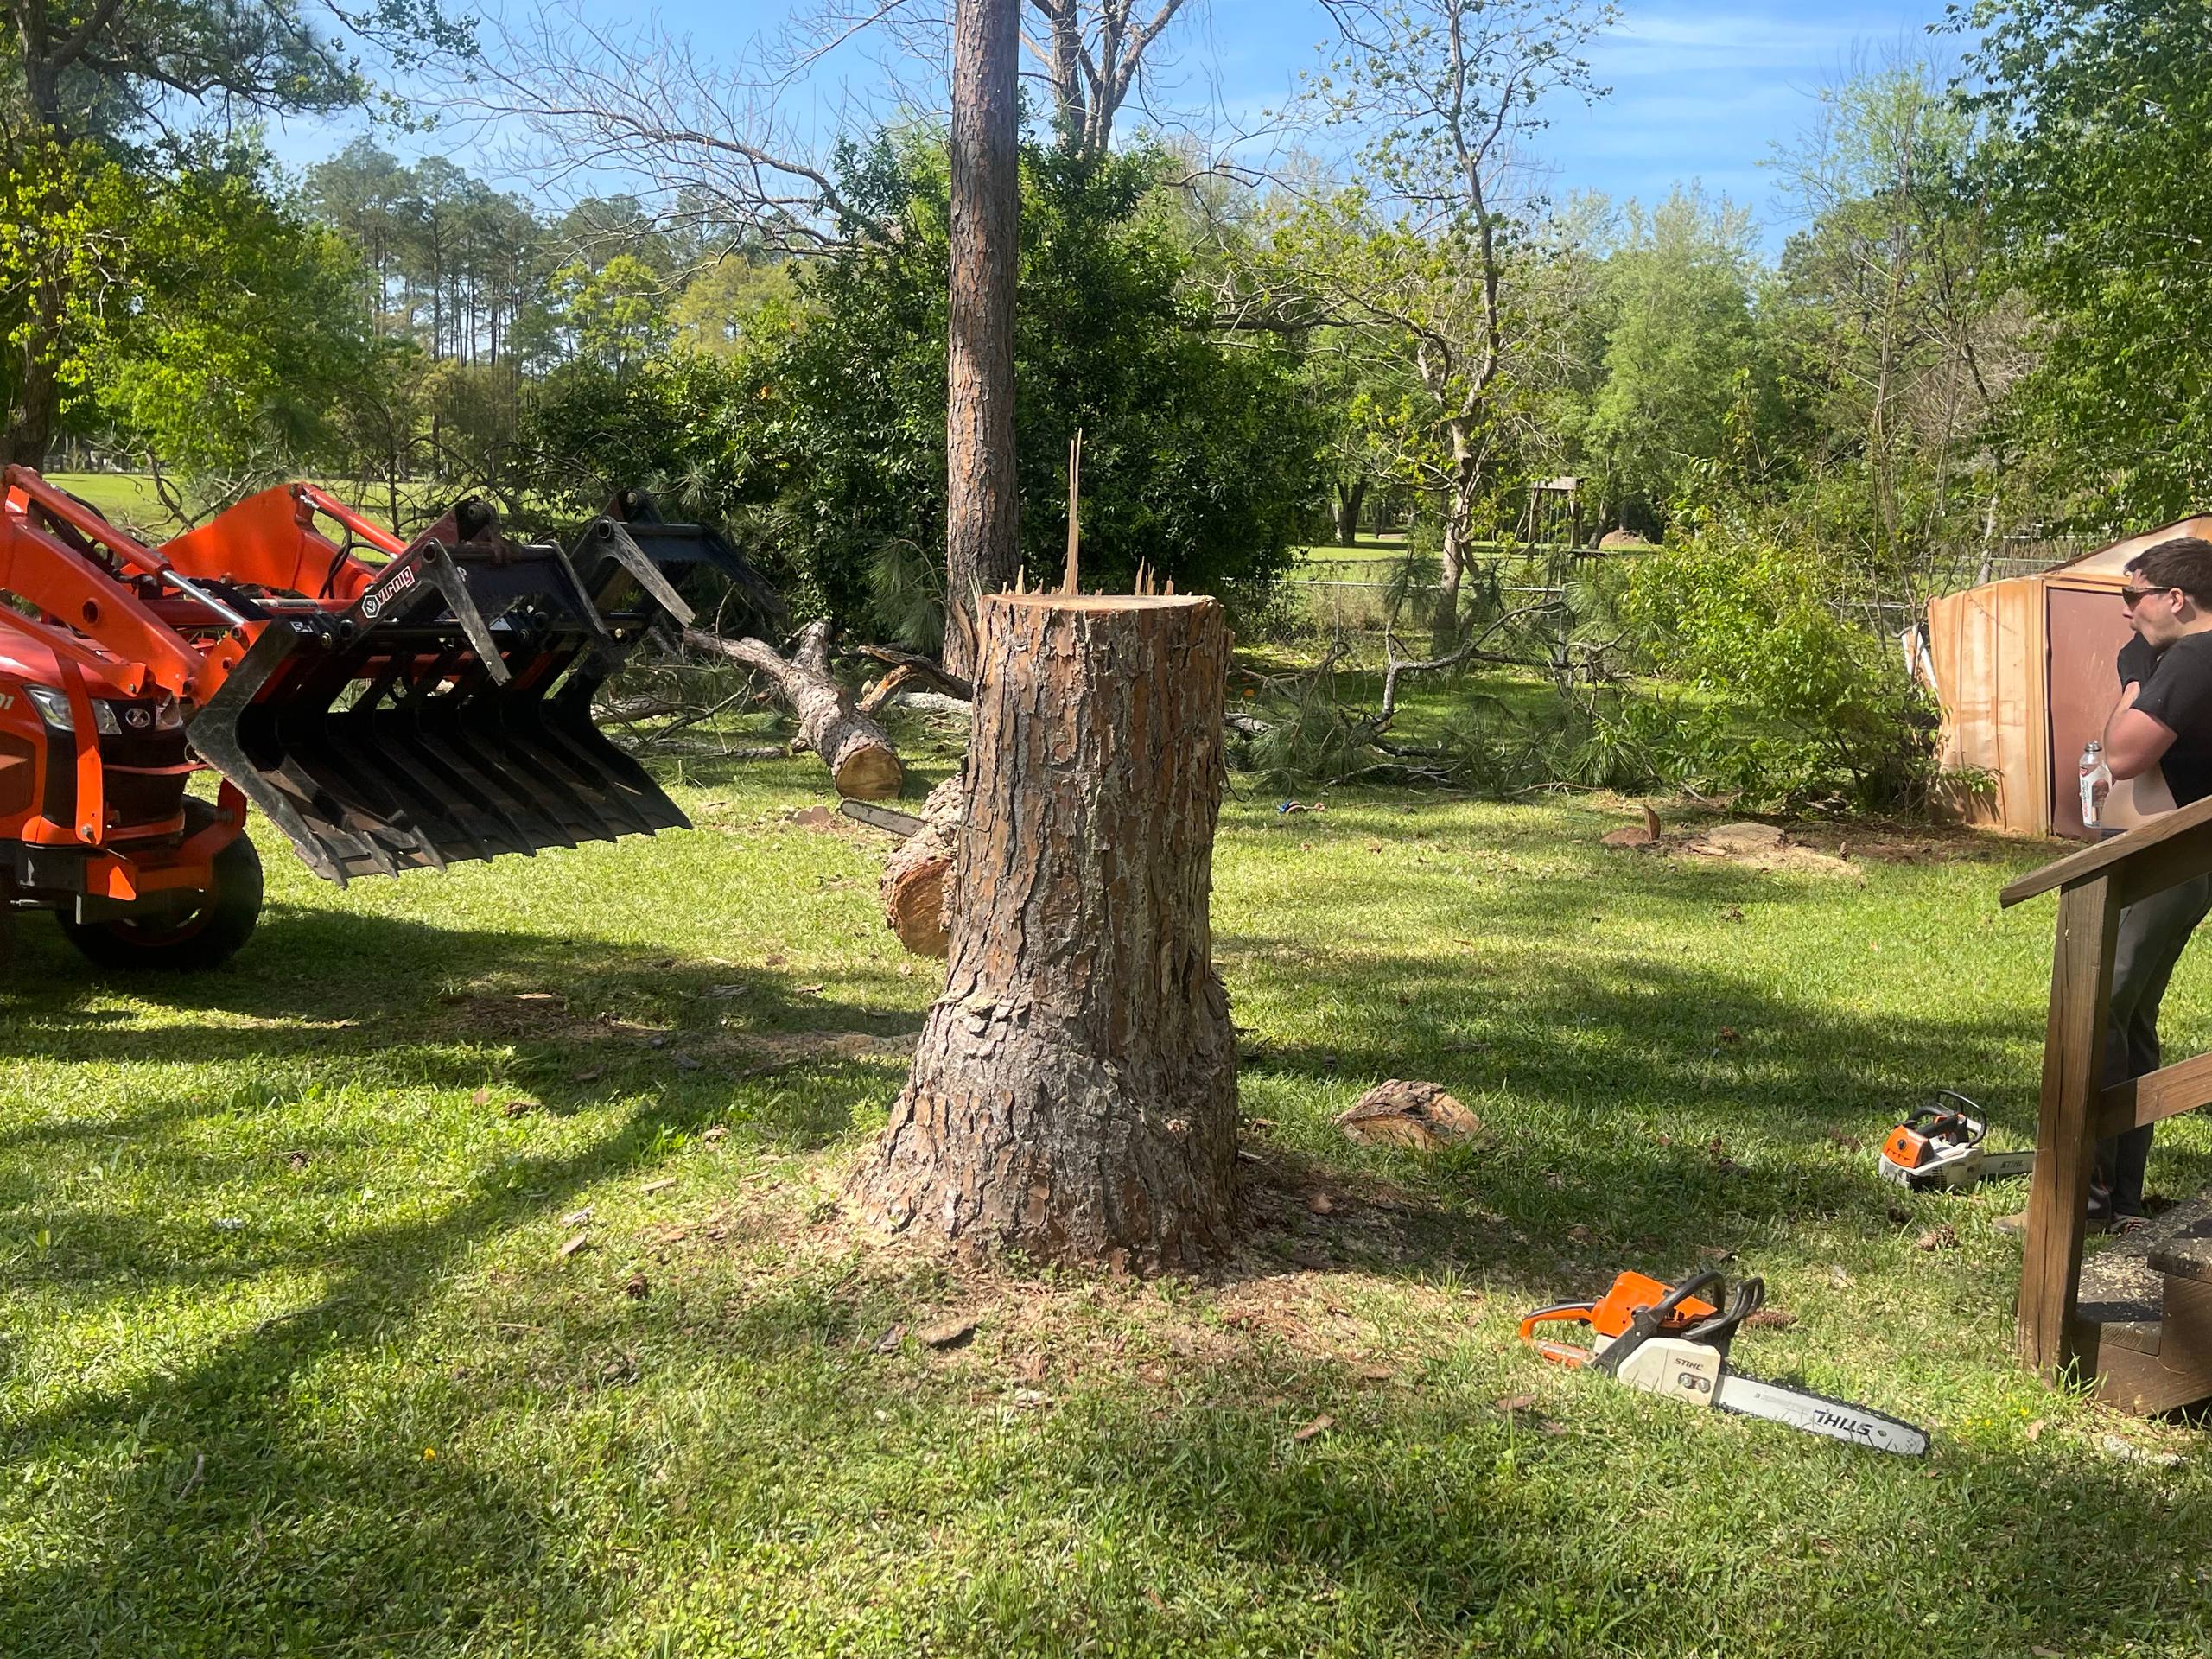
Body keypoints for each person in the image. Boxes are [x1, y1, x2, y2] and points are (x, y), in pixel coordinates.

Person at [2006, 536, 2212, 1234]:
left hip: (2164, 859)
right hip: (2180, 861)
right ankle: (2121, 1201)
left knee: (2096, 1014)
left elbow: (2120, 753)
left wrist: (2132, 679)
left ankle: (2083, 1200)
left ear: (2175, 599)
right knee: (2129, 1018)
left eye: (2133, 597)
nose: (2126, 612)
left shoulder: (2194, 657)